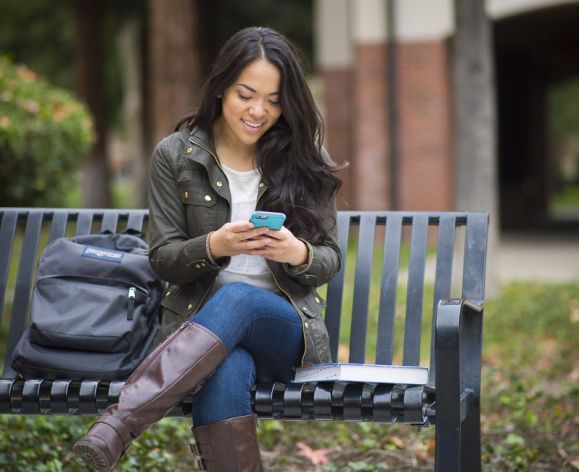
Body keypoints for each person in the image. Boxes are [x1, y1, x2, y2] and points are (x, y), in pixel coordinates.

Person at [73, 26, 342, 471]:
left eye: (274, 100)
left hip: (283, 329)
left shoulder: (302, 157)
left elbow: (329, 256)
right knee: (227, 366)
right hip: (203, 336)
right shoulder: (176, 156)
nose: (259, 111)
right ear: (221, 88)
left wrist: (297, 252)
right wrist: (214, 245)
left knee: (239, 299)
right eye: (246, 94)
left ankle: (119, 425)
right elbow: (163, 259)